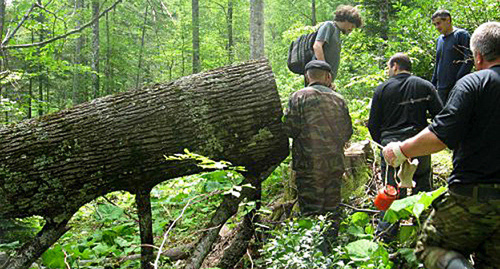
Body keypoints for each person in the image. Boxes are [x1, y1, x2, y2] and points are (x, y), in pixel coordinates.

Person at [383, 22, 500, 269]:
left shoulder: (474, 83)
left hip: (472, 197)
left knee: (430, 248)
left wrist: (400, 150)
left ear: (477, 56)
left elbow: (441, 135)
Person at [368, 53, 443, 199]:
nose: (388, 71)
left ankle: (390, 221)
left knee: (391, 189)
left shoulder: (382, 89)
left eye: (388, 67)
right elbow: (440, 116)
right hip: (419, 142)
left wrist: (383, 144)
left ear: (395, 66)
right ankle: (422, 219)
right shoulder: (425, 86)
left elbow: (373, 124)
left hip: (390, 143)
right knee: (422, 188)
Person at [283, 60, 352, 217]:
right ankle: (331, 240)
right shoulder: (339, 100)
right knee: (332, 209)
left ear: (308, 77)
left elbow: (289, 129)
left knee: (310, 211)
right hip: (334, 164)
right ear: (328, 77)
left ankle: (313, 240)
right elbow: (347, 132)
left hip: (307, 165)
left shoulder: (297, 97)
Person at [431, 9, 473, 104]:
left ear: (448, 20)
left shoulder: (461, 35)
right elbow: (438, 63)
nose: (437, 27)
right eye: (435, 25)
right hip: (441, 88)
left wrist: (458, 81)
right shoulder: (439, 40)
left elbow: (469, 59)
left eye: (439, 23)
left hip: (458, 87)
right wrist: (433, 84)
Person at [312, 5, 363, 82]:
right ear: (346, 20)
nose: (351, 29)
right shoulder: (329, 26)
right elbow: (317, 46)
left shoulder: (337, 32)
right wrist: (324, 70)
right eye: (352, 26)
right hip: (318, 75)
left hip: (326, 77)